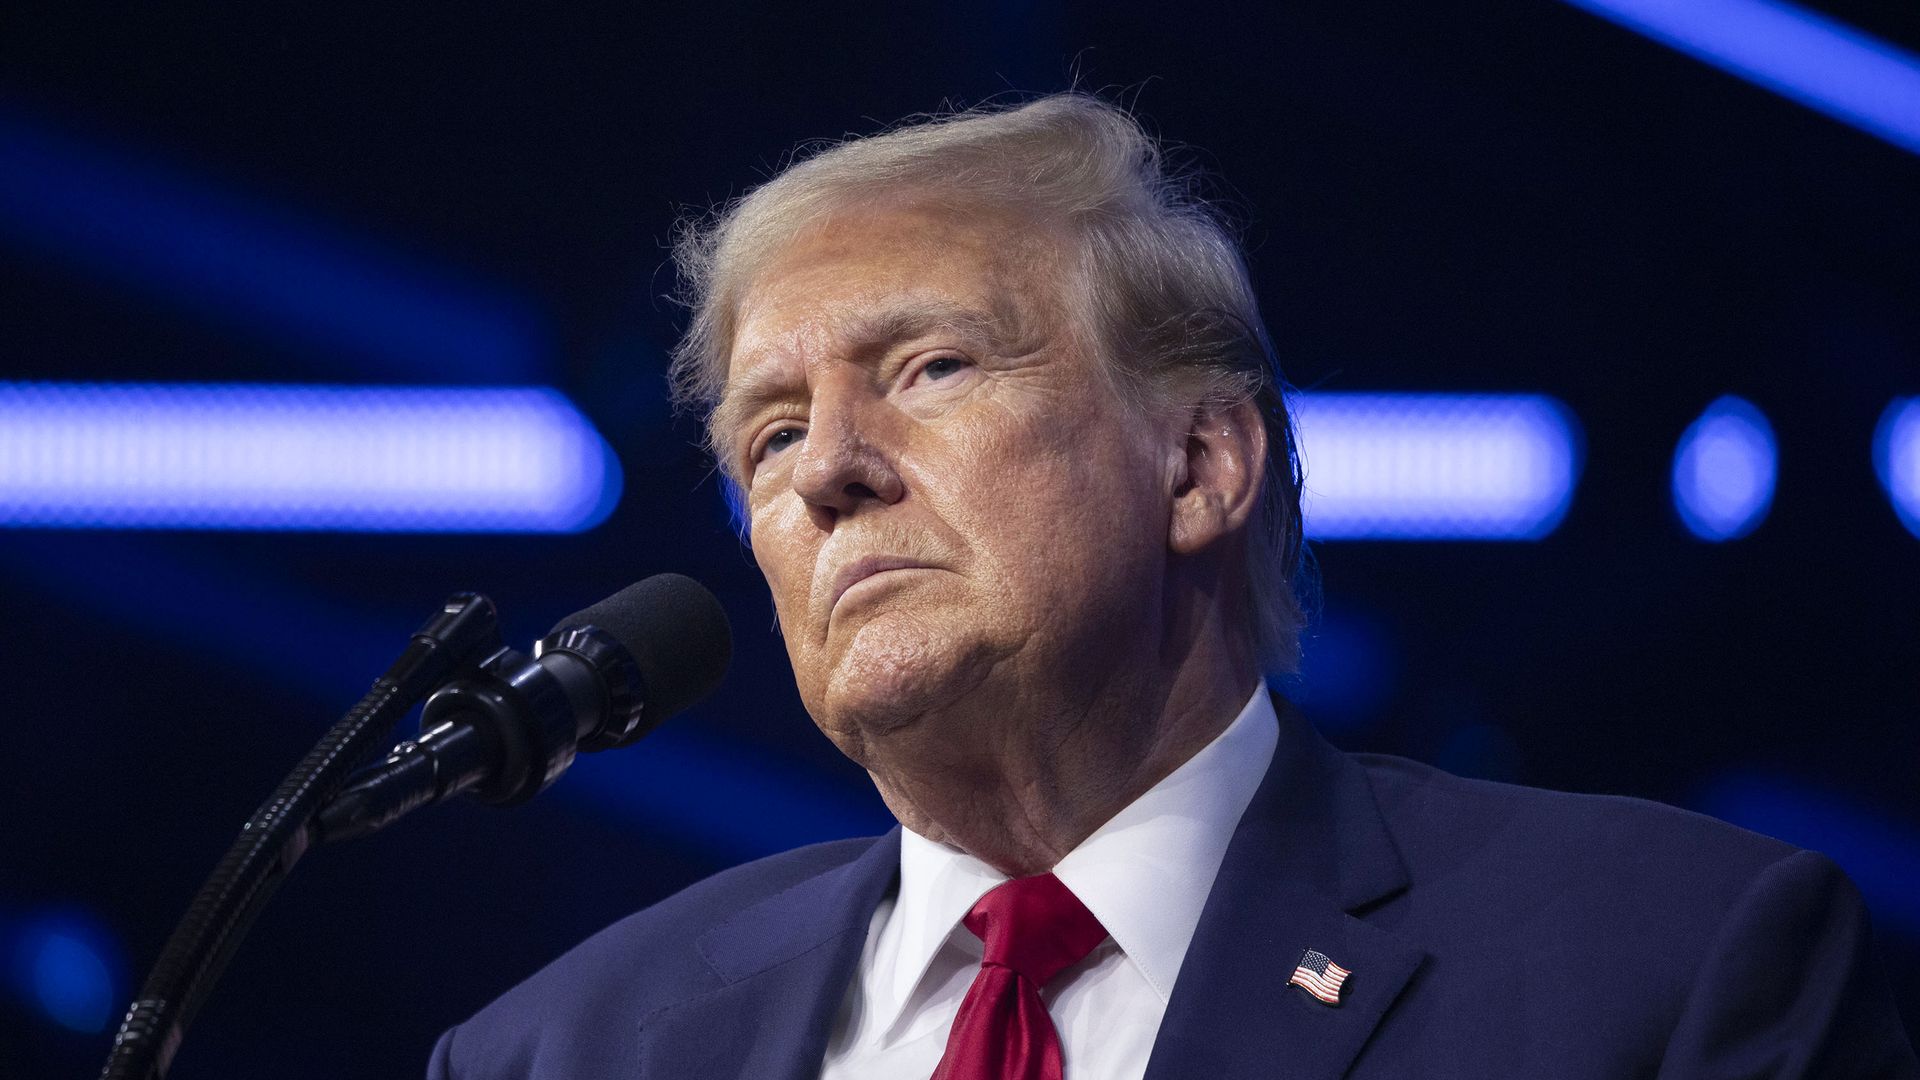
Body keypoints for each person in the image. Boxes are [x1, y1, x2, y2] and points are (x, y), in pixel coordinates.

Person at [429, 94, 1917, 1079]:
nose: (825, 471)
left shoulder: (1667, 966)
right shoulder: (560, 1053)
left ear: (1203, 463)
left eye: (930, 369)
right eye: (768, 435)